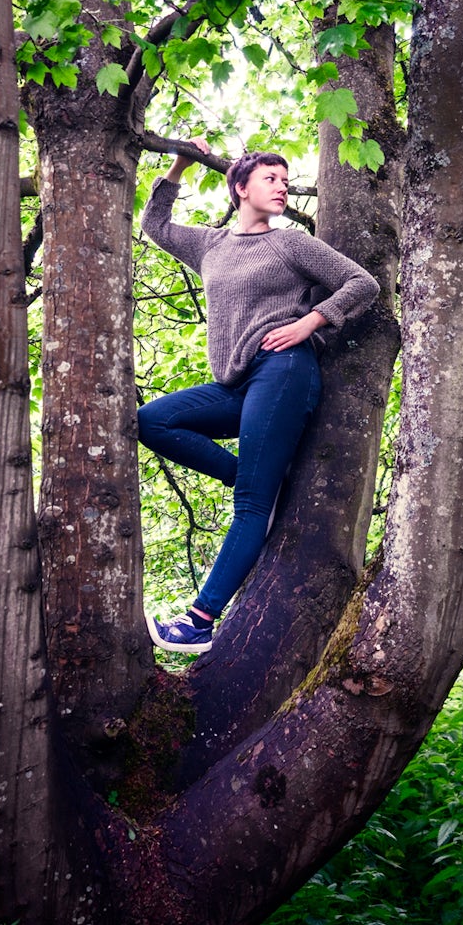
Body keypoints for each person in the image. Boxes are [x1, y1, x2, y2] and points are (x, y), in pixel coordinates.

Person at [138, 137, 379, 653]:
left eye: (286, 182)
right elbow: (153, 226)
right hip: (237, 382)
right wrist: (180, 163)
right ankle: (255, 485)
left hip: (285, 369)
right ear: (240, 187)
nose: (282, 188)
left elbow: (362, 283)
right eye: (271, 179)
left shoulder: (290, 243)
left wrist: (310, 322)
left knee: (249, 505)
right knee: (152, 420)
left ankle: (199, 621)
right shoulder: (211, 245)